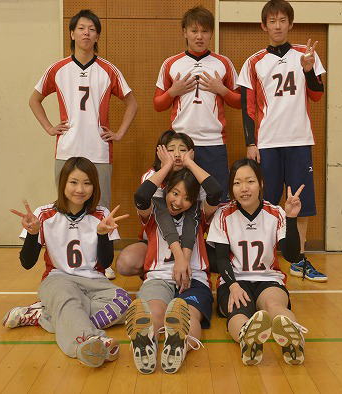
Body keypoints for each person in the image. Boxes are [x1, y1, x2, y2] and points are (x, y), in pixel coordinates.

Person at [29, 9, 138, 279]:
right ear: (72, 33)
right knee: (65, 205)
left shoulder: (108, 69)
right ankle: (64, 261)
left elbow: (132, 103)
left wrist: (119, 133)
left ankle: (103, 263)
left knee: (100, 208)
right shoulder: (58, 68)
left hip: (99, 151)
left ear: (97, 35)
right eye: (81, 28)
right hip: (66, 150)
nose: (86, 33)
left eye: (91, 29)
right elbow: (34, 99)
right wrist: (49, 128)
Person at [5, 157, 132, 368]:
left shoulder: (102, 214)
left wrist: (102, 234)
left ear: (94, 186)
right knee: (68, 298)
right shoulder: (43, 214)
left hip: (95, 281)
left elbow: (106, 262)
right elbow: (27, 263)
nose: (80, 189)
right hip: (58, 279)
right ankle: (88, 342)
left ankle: (43, 315)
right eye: (74, 182)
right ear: (63, 183)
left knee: (124, 302)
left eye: (87, 183)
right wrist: (33, 234)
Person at [237, 0, 327, 282]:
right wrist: (251, 142)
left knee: (300, 201)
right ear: (264, 26)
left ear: (291, 24)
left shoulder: (306, 54)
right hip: (267, 143)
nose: (277, 26)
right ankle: (264, 258)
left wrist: (309, 70)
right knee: (265, 202)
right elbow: (247, 107)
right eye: (272, 21)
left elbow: (317, 94)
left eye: (282, 20)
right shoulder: (253, 62)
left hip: (299, 140)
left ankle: (299, 259)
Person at [125, 145, 221, 374]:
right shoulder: (152, 212)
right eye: (175, 193)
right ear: (165, 190)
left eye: (187, 198)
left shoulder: (200, 213)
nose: (178, 202)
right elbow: (141, 195)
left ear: (194, 200)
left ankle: (178, 346)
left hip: (194, 279)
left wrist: (189, 163)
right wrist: (168, 165)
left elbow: (215, 192)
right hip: (159, 277)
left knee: (188, 316)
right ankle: (146, 341)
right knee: (154, 312)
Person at [207, 158, 309, 366]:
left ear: (261, 183)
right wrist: (233, 285)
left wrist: (291, 219)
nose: (244, 188)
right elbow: (221, 258)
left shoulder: (276, 213)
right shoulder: (223, 214)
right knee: (239, 312)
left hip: (268, 279)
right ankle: (248, 339)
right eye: (237, 183)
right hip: (234, 280)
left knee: (274, 305)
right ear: (231, 188)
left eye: (250, 181)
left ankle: (293, 339)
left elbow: (291, 256)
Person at [153, 6, 241, 201]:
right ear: (185, 32)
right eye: (194, 31)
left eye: (205, 31)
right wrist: (173, 92)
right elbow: (157, 104)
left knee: (217, 199)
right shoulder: (171, 63)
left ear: (211, 33)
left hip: (214, 143)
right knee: (181, 198)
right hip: (180, 143)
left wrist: (222, 90)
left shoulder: (223, 63)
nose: (199, 36)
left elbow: (240, 102)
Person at [116, 130, 201, 277]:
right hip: (158, 239)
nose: (177, 154)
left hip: (191, 241)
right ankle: (155, 274)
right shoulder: (151, 176)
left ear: (191, 154)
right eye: (171, 150)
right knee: (126, 263)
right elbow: (162, 216)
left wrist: (184, 257)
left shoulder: (197, 176)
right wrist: (166, 166)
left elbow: (194, 216)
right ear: (160, 153)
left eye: (182, 150)